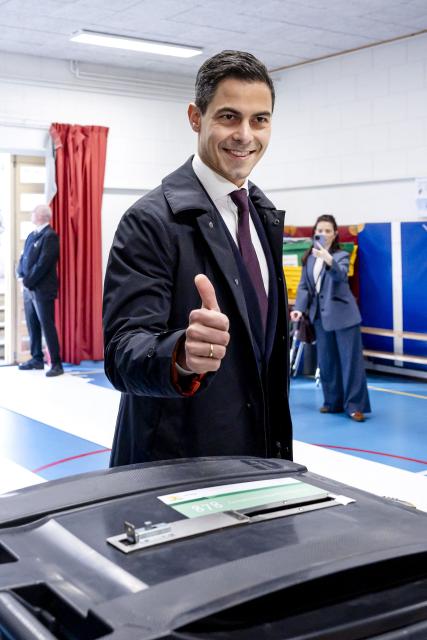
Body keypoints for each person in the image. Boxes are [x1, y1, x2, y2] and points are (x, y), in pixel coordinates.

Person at [103, 50, 293, 466]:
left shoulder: (262, 215)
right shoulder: (150, 221)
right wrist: (180, 354)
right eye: (228, 116)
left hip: (258, 456)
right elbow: (121, 354)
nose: (245, 135)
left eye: (259, 119)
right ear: (195, 118)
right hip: (178, 466)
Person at [291, 214, 370, 422]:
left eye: (328, 230)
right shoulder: (308, 259)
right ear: (314, 232)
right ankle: (332, 402)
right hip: (320, 317)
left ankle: (354, 406)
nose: (323, 234)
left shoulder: (341, 256)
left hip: (344, 317)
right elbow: (304, 286)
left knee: (350, 363)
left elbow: (341, 275)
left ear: (335, 235)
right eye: (320, 230)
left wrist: (329, 260)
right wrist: (299, 308)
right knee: (327, 362)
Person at [17, 204, 63, 377]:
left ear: (42, 216)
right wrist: (20, 274)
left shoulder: (50, 236)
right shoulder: (32, 235)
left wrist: (28, 281)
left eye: (33, 212)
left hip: (42, 290)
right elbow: (23, 258)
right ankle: (36, 358)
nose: (31, 215)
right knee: (32, 324)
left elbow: (44, 263)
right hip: (29, 289)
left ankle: (57, 364)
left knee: (47, 326)